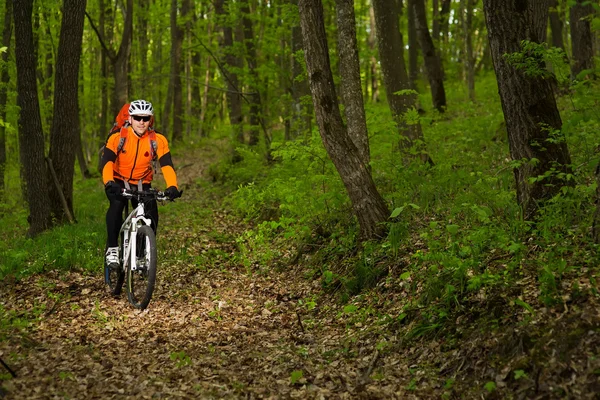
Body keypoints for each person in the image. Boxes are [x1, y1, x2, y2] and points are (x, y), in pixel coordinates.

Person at [101, 99, 181, 269]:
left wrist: (172, 186)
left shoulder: (157, 140)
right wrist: (109, 182)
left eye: (146, 118)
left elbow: (166, 164)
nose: (141, 122)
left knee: (151, 212)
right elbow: (107, 162)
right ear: (130, 118)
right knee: (116, 205)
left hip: (141, 182)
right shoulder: (118, 137)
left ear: (150, 120)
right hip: (117, 179)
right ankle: (113, 249)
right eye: (137, 118)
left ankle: (141, 254)